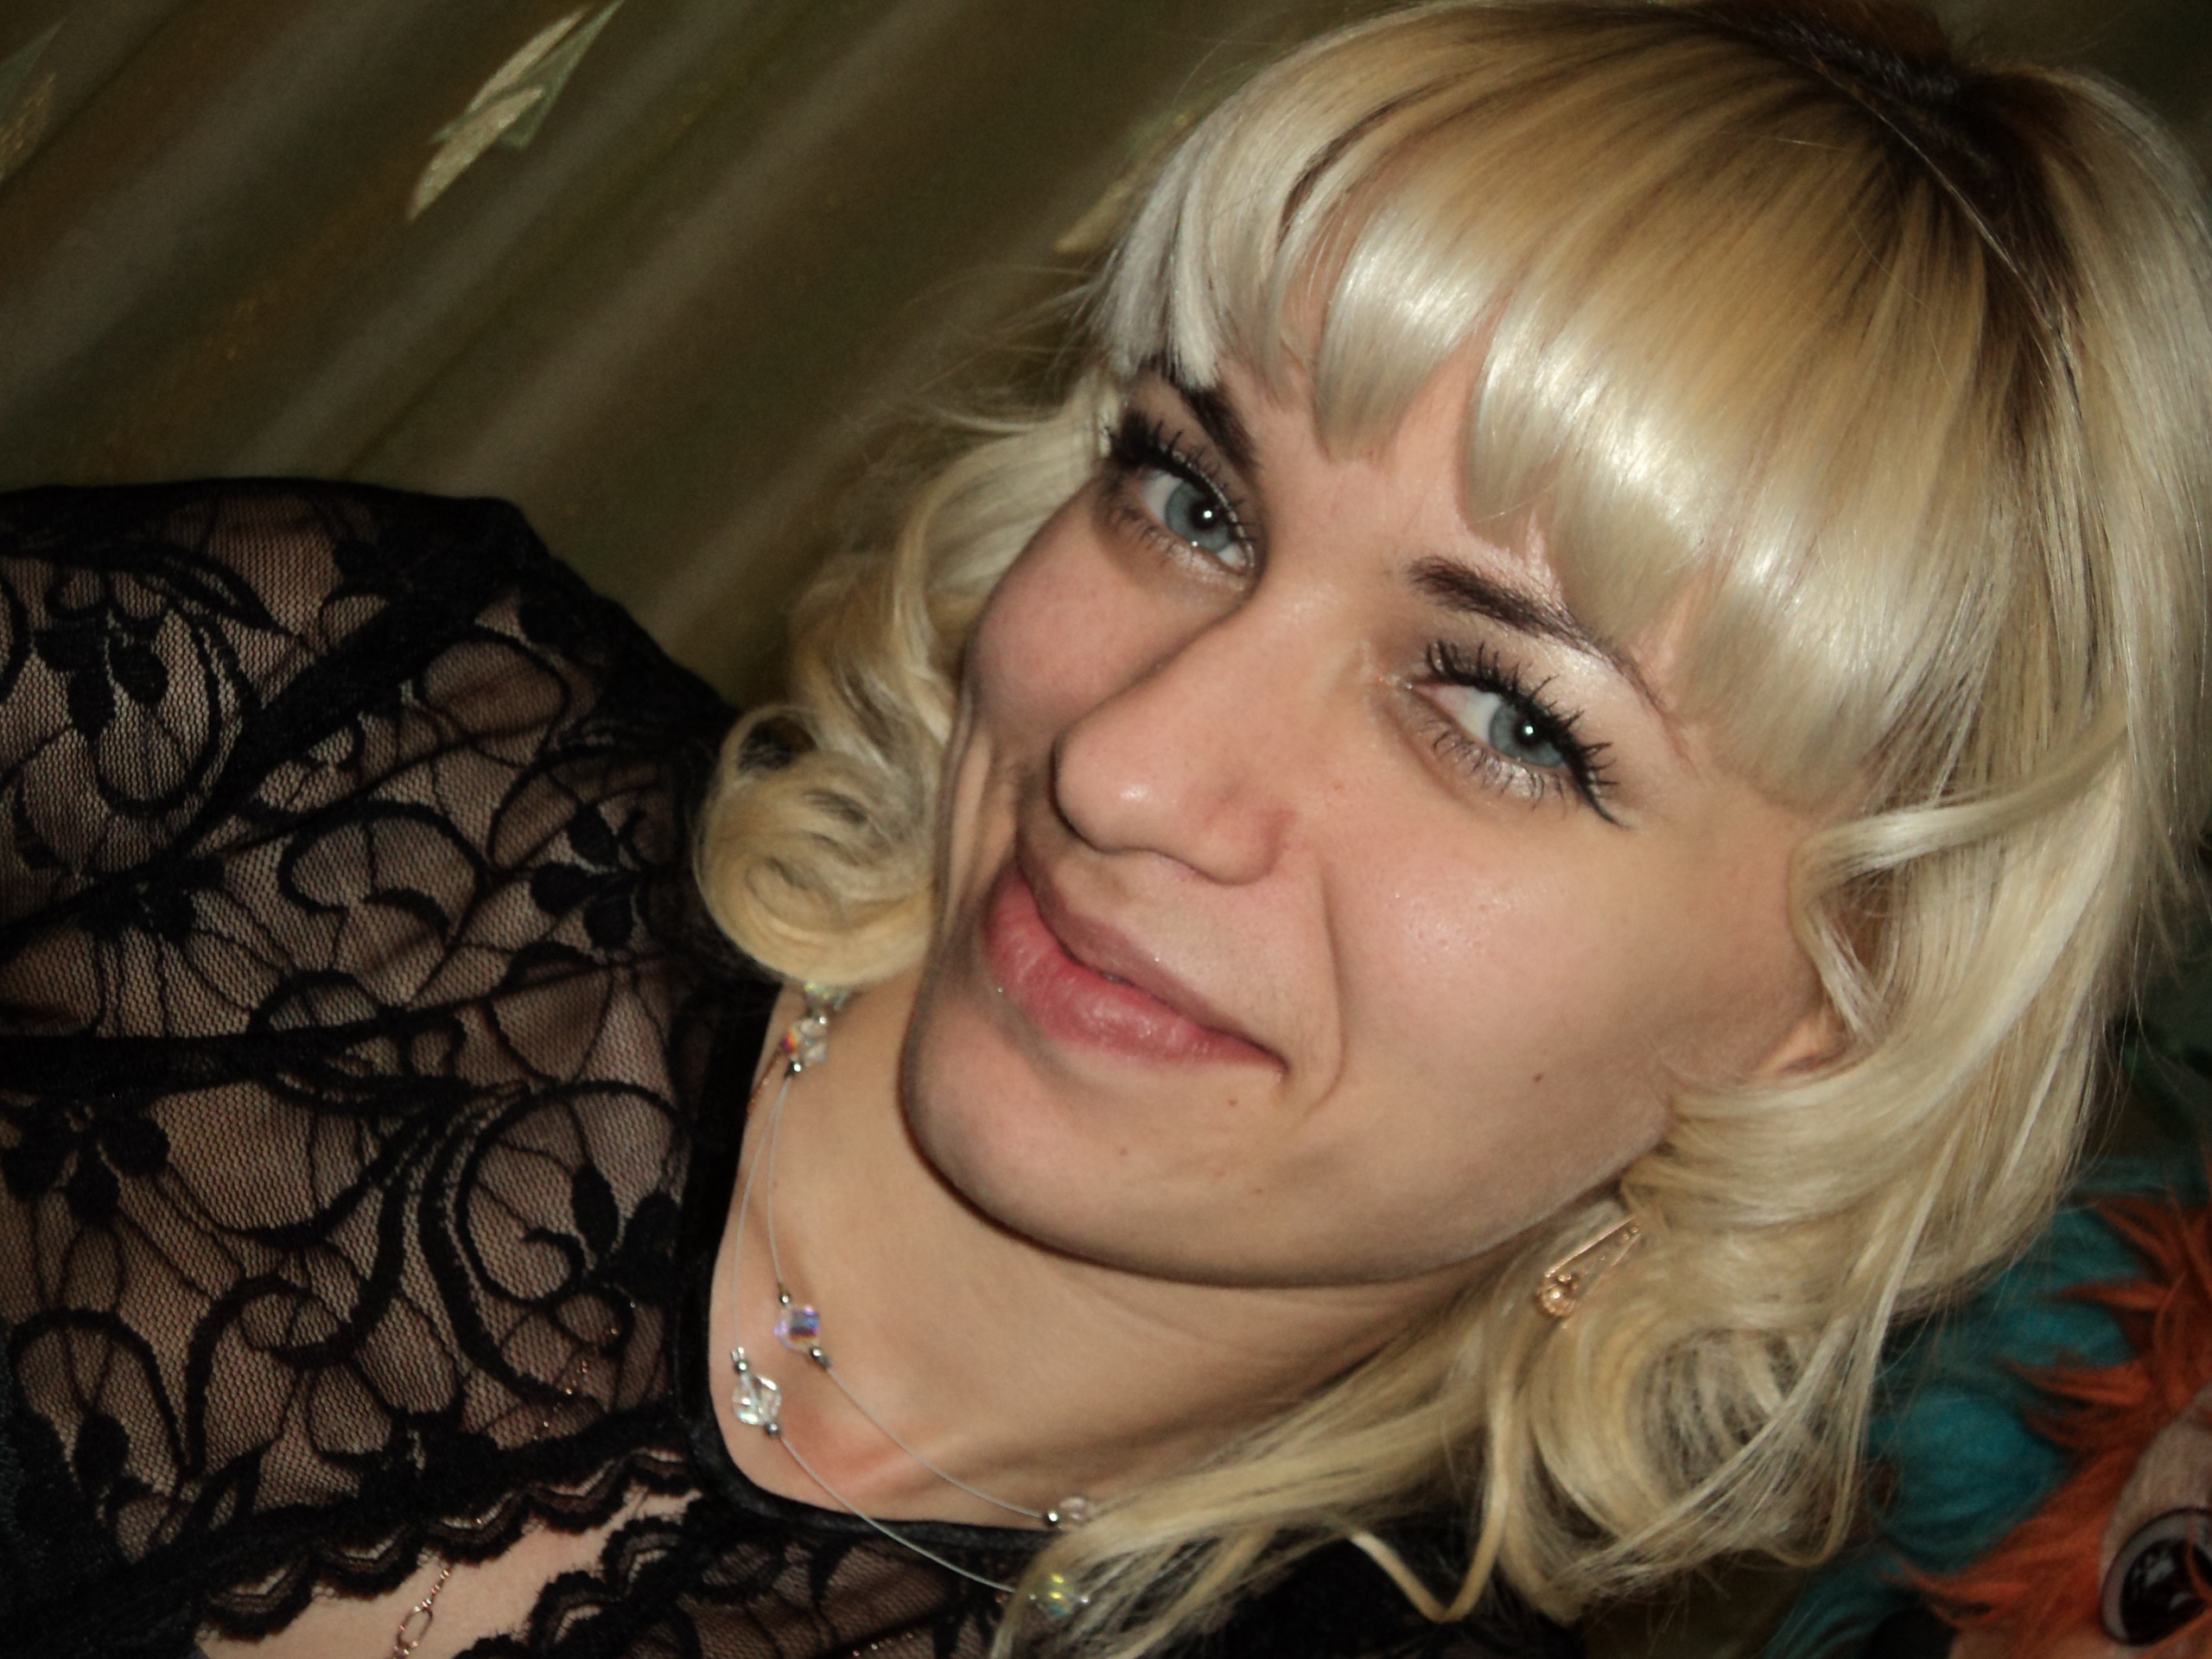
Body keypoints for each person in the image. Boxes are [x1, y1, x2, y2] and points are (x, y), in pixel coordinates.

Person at [2, 2, 2208, 1656]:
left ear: (1828, 1013)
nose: (1121, 766)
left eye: (1500, 716)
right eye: (1191, 498)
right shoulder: (333, 741)